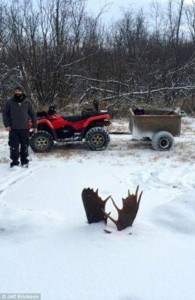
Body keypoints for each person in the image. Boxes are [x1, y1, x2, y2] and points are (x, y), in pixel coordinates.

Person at [2, 86, 37, 168]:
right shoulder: (10, 101)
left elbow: (33, 114)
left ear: (22, 92)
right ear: (14, 92)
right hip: (13, 129)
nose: (18, 92)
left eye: (19, 91)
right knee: (14, 147)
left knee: (24, 146)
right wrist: (7, 125)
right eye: (16, 91)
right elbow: (5, 114)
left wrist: (35, 126)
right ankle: (14, 163)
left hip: (25, 129)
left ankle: (24, 161)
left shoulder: (27, 101)